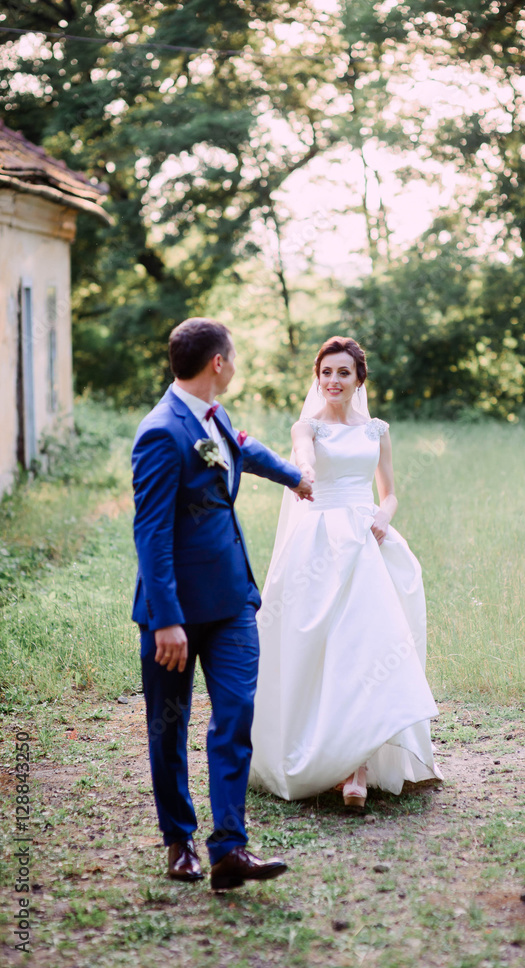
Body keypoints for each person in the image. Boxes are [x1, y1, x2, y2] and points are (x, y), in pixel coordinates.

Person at [131, 317, 313, 891]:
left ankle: (230, 848)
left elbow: (238, 448)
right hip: (176, 615)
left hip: (233, 601)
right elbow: (152, 533)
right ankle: (179, 841)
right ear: (218, 363)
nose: (235, 366)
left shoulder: (214, 415)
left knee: (235, 716)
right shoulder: (161, 432)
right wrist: (167, 620)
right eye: (233, 358)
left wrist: (292, 476)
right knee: (170, 725)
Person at [250, 336, 442, 807]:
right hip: (318, 544)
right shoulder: (307, 428)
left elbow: (390, 491)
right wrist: (306, 473)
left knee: (370, 646)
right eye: (326, 373)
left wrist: (384, 514)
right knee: (321, 650)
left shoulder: (377, 429)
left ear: (359, 380)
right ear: (317, 378)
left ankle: (358, 769)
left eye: (343, 373)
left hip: (367, 540)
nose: (333, 381)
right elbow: (304, 460)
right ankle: (322, 754)